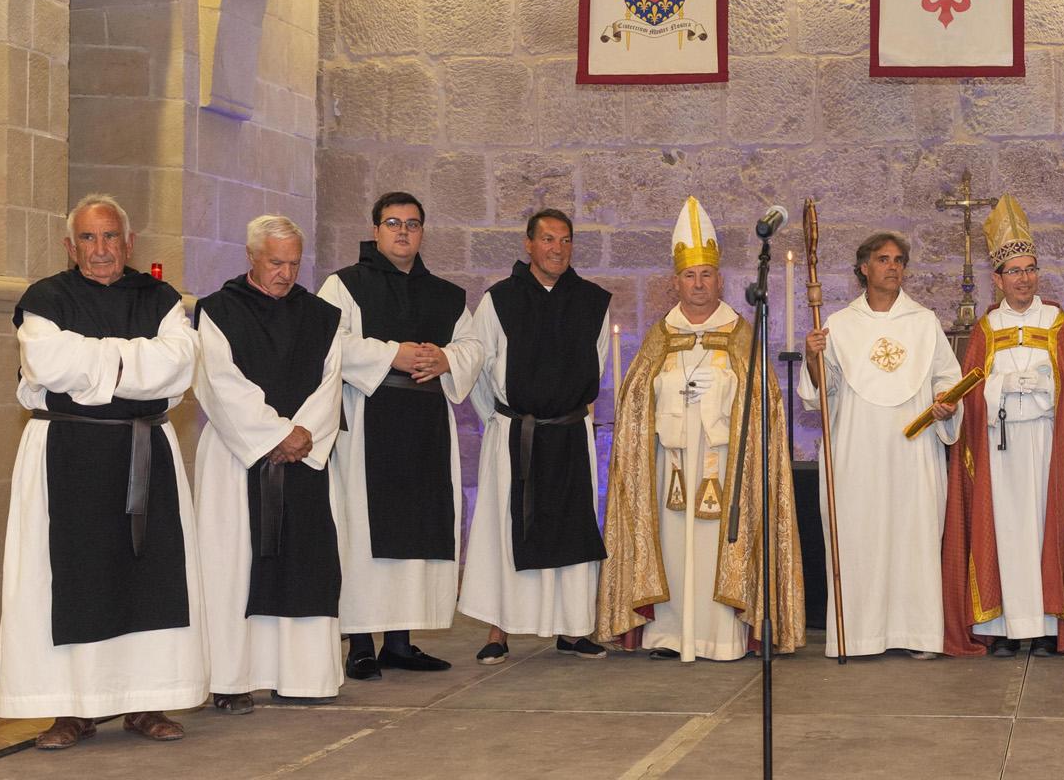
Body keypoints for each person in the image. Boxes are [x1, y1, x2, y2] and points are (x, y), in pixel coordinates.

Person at [0, 194, 205, 749]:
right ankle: (71, 711)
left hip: (143, 452)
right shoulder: (45, 299)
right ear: (70, 246)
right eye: (88, 237)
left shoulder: (159, 298)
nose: (101, 248)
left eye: (111, 236)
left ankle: (145, 703)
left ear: (129, 244)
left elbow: (177, 366)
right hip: (65, 451)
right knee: (68, 577)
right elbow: (48, 363)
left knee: (148, 577)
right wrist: (134, 361)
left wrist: (93, 362)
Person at [597, 197, 805, 660]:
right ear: (675, 282)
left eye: (706, 274)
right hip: (669, 466)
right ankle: (671, 635)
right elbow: (635, 406)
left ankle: (720, 638)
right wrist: (669, 392)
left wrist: (728, 392)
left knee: (716, 548)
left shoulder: (742, 335)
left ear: (720, 280)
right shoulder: (659, 337)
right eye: (689, 275)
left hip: (726, 465)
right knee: (672, 547)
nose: (698, 284)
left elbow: (764, 406)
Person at [320, 192, 483, 678]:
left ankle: (400, 642)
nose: (403, 232)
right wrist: (392, 354)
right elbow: (328, 341)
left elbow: (474, 346)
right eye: (393, 223)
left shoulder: (445, 294)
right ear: (375, 230)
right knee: (364, 534)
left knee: (417, 532)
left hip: (426, 422)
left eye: (412, 224)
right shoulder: (344, 285)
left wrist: (447, 358)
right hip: (368, 420)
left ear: (422, 232)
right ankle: (360, 645)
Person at [942, 196, 1064, 658]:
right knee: (1004, 529)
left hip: (1045, 443)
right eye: (1014, 272)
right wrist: (1001, 386)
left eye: (1031, 269)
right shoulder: (987, 327)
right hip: (999, 447)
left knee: (1044, 528)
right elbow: (970, 388)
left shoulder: (1055, 321)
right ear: (997, 279)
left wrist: (1041, 386)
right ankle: (1004, 627)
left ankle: (1045, 626)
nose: (1024, 278)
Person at [192, 216, 344, 712]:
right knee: (233, 564)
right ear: (251, 257)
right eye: (276, 262)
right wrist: (275, 435)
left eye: (294, 263)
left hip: (304, 459)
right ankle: (232, 679)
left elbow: (331, 384)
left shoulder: (321, 316)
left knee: (306, 564)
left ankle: (303, 676)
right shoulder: (218, 311)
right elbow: (218, 382)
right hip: (237, 459)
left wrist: (301, 435)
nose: (286, 273)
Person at [801, 232, 963, 658]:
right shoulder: (838, 324)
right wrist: (813, 358)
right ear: (864, 268)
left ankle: (918, 634)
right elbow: (821, 394)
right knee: (860, 538)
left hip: (913, 449)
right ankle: (858, 636)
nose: (893, 267)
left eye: (899, 260)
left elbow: (947, 378)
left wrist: (945, 403)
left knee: (914, 538)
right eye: (883, 259)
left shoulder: (924, 322)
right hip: (858, 450)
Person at [460, 209, 611, 662]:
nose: (557, 249)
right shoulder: (499, 300)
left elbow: (598, 363)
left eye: (565, 240)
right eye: (547, 239)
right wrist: (503, 419)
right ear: (528, 244)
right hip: (515, 436)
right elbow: (481, 368)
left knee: (571, 530)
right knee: (507, 533)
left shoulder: (592, 302)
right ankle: (498, 630)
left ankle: (574, 629)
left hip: (569, 435)